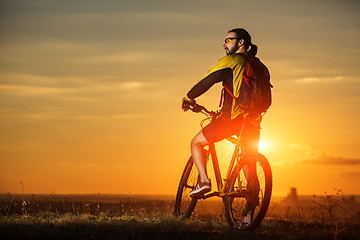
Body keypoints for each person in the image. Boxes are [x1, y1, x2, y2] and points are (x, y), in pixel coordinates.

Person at [182, 28, 262, 198]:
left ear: (241, 42)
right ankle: (247, 220)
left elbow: (207, 80)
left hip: (231, 120)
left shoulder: (232, 61)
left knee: (196, 143)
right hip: (253, 123)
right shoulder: (258, 64)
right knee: (250, 164)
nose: (224, 44)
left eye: (228, 40)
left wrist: (189, 97)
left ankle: (203, 181)